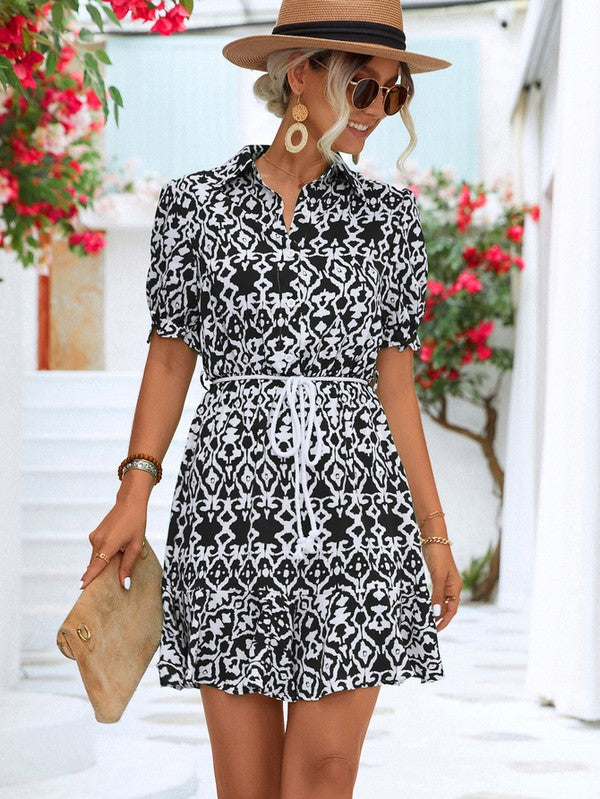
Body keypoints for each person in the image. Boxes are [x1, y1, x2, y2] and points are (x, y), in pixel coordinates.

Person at [81, 0, 463, 796]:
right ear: (301, 76)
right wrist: (134, 489)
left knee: (325, 773)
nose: (379, 112)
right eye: (365, 88)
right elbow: (169, 358)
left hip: (360, 521)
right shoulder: (197, 206)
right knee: (247, 783)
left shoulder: (388, 220)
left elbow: (397, 386)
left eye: (393, 95)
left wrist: (433, 534)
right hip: (227, 518)